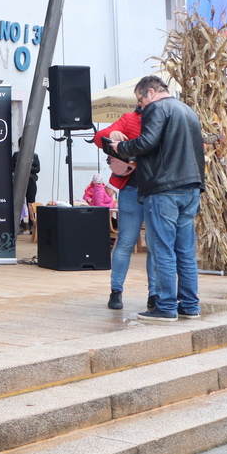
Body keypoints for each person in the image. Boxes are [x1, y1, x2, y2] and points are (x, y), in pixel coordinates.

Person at [111, 76, 206, 323]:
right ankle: (190, 306)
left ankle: (165, 306)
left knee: (162, 249)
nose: (140, 106)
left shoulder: (156, 108)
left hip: (164, 189)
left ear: (151, 92)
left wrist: (121, 148)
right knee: (185, 252)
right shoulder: (188, 110)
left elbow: (147, 142)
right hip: (191, 187)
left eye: (140, 99)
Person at [93, 106, 156, 312]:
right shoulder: (130, 118)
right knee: (125, 242)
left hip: (156, 190)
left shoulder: (164, 118)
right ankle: (116, 291)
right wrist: (111, 133)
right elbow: (98, 138)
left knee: (154, 245)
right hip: (131, 187)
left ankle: (154, 294)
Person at [10, 138, 40, 232]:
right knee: (19, 203)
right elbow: (11, 168)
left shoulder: (34, 155)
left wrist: (27, 167)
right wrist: (20, 168)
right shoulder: (16, 155)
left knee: (31, 203)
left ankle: (31, 225)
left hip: (31, 180)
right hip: (19, 181)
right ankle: (20, 225)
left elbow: (37, 169)